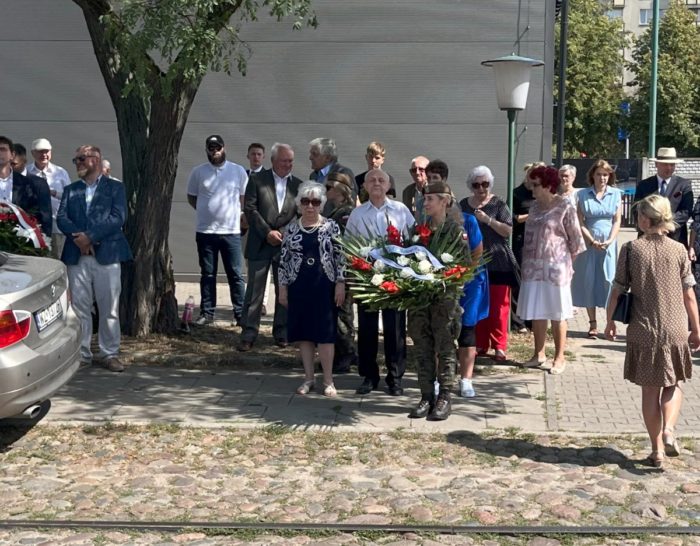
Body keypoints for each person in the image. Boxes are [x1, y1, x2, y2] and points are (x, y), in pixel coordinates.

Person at [605, 195, 700, 468]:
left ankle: (657, 449)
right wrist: (696, 329)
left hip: (642, 329)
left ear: (646, 219)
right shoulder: (680, 250)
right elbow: (689, 295)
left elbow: (618, 289)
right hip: (675, 327)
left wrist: (609, 321)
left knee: (649, 391)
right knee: (674, 383)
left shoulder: (632, 249)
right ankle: (669, 428)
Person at [57, 144, 133, 372]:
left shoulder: (114, 188)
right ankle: (82, 354)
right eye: (76, 159)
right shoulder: (71, 189)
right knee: (80, 307)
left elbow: (118, 217)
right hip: (77, 256)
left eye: (81, 159)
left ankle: (109, 353)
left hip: (107, 254)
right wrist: (80, 239)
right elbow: (62, 217)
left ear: (95, 160)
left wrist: (90, 237)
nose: (77, 163)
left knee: (109, 307)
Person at [345, 169, 415, 396]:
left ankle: (395, 378)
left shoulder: (400, 210)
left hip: (394, 277)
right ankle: (368, 376)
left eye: (381, 180)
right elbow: (347, 246)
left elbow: (413, 241)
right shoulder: (358, 214)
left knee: (395, 330)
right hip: (367, 277)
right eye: (372, 180)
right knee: (366, 329)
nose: (376, 183)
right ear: (364, 186)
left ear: (388, 185)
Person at [278, 182, 345, 396]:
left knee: (325, 334)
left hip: (324, 286)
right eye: (305, 202)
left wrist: (341, 284)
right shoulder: (290, 228)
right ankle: (308, 379)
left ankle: (328, 381)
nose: (310, 206)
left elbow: (340, 257)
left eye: (315, 202)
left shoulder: (331, 226)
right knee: (304, 334)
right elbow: (283, 261)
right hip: (299, 286)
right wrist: (282, 289)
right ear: (299, 204)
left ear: (321, 204)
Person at [407, 181, 467, 420]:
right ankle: (426, 395)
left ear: (444, 201)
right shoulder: (418, 230)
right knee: (421, 346)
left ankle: (445, 396)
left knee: (445, 347)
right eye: (424, 198)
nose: (426, 202)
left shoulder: (455, 231)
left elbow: (462, 267)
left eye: (430, 198)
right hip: (420, 301)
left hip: (444, 301)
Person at [518, 166, 585, 375]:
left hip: (556, 270)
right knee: (537, 312)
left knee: (558, 313)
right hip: (533, 268)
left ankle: (559, 357)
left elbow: (576, 241)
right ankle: (538, 354)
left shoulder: (565, 206)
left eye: (535, 185)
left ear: (548, 185)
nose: (532, 189)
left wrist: (564, 264)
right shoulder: (535, 208)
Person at [239, 143, 302, 351]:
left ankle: (282, 332)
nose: (288, 164)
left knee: (284, 291)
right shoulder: (257, 180)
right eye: (284, 160)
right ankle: (249, 333)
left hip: (285, 246)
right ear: (273, 160)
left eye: (291, 161)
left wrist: (283, 233)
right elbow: (250, 209)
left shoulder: (298, 186)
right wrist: (267, 232)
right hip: (260, 242)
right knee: (255, 292)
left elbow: (300, 215)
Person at [186, 135, 248, 327]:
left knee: (236, 275)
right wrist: (207, 211)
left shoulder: (237, 171)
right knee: (208, 274)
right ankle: (207, 313)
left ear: (224, 148)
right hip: (205, 232)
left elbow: (243, 198)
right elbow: (192, 197)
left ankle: (240, 314)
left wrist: (237, 217)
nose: (215, 151)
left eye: (218, 147)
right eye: (211, 148)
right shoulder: (198, 172)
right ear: (206, 150)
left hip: (231, 232)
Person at [460, 165, 518, 361]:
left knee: (499, 306)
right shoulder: (464, 205)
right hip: (473, 262)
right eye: (476, 185)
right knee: (476, 303)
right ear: (471, 186)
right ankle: (481, 343)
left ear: (490, 184)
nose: (481, 188)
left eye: (485, 184)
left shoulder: (499, 204)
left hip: (498, 260)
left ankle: (499, 346)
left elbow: (508, 230)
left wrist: (487, 220)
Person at [570, 160, 622, 338]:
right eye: (599, 174)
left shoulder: (616, 194)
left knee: (609, 281)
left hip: (609, 243)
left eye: (606, 175)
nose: (602, 178)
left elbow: (617, 220)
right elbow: (580, 221)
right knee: (588, 280)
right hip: (588, 242)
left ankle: (610, 323)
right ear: (593, 175)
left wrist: (609, 240)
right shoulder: (583, 194)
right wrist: (591, 241)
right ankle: (592, 324)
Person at [324, 172, 358, 373]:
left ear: (340, 190)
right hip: (335, 271)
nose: (325, 191)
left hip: (344, 272)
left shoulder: (346, 212)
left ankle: (346, 355)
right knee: (338, 314)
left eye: (329, 187)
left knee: (342, 315)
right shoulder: (335, 210)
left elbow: (343, 246)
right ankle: (343, 353)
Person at [457, 210, 488, 398]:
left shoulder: (468, 221)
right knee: (440, 330)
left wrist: (464, 275)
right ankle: (438, 379)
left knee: (467, 328)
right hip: (442, 282)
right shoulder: (429, 222)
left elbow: (477, 251)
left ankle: (466, 380)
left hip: (469, 282)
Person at [634, 147, 692, 247]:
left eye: (672, 165)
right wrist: (652, 227)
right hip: (647, 239)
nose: (669, 168)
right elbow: (636, 209)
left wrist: (665, 225)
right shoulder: (644, 185)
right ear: (656, 164)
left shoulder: (684, 185)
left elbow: (686, 212)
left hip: (675, 239)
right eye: (665, 164)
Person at [511, 162, 544, 334]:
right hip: (522, 240)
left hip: (540, 242)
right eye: (535, 175)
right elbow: (512, 218)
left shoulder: (543, 194)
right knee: (520, 279)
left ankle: (533, 319)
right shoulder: (517, 193)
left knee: (535, 281)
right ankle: (518, 321)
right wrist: (530, 216)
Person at [26, 138, 72, 257]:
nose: (44, 155)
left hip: (57, 226)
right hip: (35, 226)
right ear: (32, 153)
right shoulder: (26, 173)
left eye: (47, 151)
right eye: (40, 151)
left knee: (58, 260)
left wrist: (54, 193)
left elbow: (70, 198)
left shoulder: (60, 173)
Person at [0, 136, 52, 237]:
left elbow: (44, 217)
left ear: (12, 155)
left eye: (3, 149)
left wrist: (43, 245)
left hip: (21, 244)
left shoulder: (30, 184)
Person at [309, 138, 356, 215]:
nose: (310, 157)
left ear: (327, 158)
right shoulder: (313, 176)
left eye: (314, 154)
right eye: (311, 154)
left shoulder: (343, 173)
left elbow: (350, 202)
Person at [402, 156, 429, 221]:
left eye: (421, 169)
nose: (417, 173)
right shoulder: (407, 192)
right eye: (414, 170)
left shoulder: (438, 190)